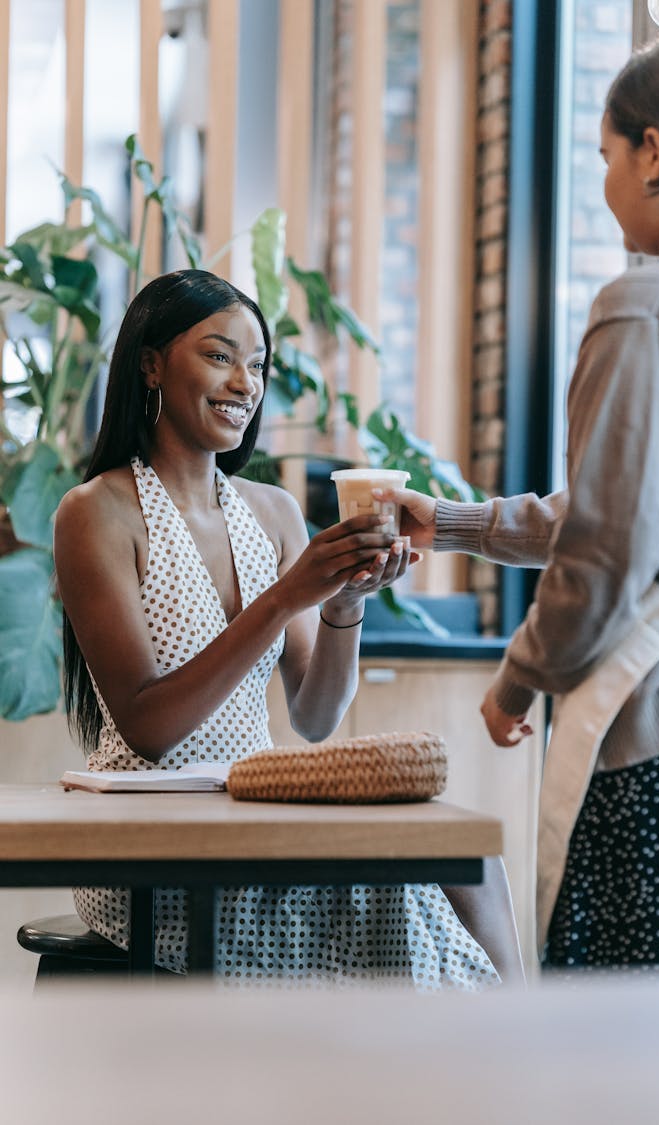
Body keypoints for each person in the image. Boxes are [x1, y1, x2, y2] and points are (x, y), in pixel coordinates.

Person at [382, 36, 659, 972]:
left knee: (628, 1030)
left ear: (654, 152)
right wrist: (457, 521)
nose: (604, 182)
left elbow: (610, 549)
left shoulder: (648, 305)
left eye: (604, 156)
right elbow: (632, 511)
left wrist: (520, 674)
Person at [55, 267, 523, 987]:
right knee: (397, 897)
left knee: (469, 857)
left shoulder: (271, 511)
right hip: (150, 847)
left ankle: (512, 1064)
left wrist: (343, 603)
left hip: (257, 815)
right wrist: (282, 597)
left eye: (258, 365)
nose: (245, 382)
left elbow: (314, 715)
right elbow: (149, 726)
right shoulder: (97, 512)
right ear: (150, 362)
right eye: (218, 355)